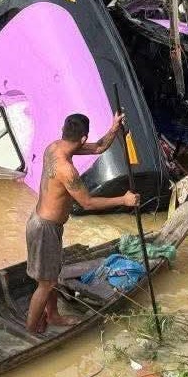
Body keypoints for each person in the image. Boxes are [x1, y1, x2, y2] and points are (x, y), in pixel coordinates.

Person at [26, 112, 139, 334]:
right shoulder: (67, 170)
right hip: (44, 229)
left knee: (51, 276)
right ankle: (30, 330)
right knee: (46, 283)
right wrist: (124, 200)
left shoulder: (55, 147)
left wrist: (114, 127)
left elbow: (98, 148)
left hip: (44, 224)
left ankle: (53, 315)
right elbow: (87, 203)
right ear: (83, 138)